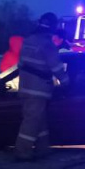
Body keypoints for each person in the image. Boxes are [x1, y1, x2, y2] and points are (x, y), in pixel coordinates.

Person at [15, 13, 69, 161]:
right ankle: (22, 152)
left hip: (25, 87)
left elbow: (21, 64)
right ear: (53, 27)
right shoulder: (47, 44)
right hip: (38, 90)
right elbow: (56, 67)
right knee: (31, 121)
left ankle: (43, 148)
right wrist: (66, 82)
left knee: (40, 120)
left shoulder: (28, 40)